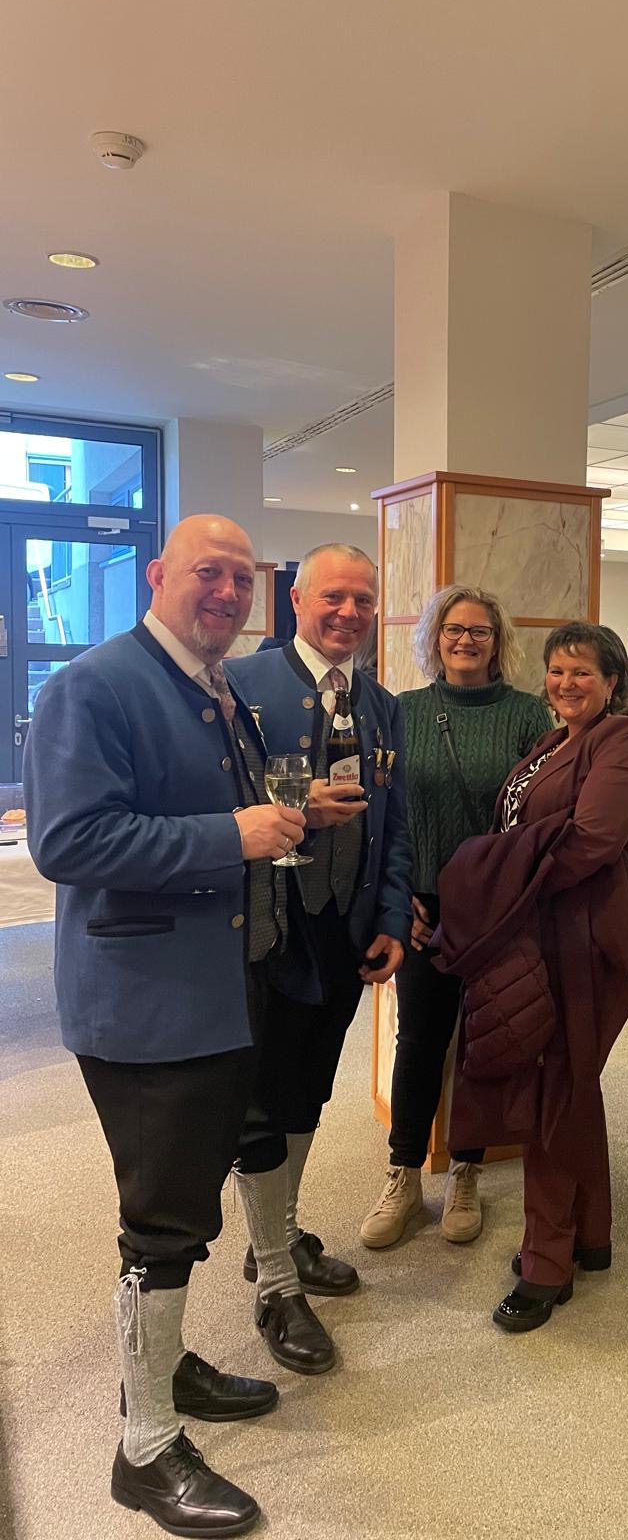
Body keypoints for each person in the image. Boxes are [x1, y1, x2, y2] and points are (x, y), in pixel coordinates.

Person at [24, 515, 309, 1537]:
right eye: (208, 573)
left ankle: (169, 1363)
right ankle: (143, 1448)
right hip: (145, 1005)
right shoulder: (95, 685)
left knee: (187, 1206)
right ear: (157, 575)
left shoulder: (213, 684)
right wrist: (233, 834)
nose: (227, 592)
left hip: (217, 989)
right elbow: (69, 841)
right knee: (163, 1224)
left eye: (241, 578)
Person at [435, 623, 628, 1331]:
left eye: (583, 672)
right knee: (571, 1086)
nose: (567, 683)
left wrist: (494, 882)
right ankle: (590, 1235)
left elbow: (590, 842)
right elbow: (527, 829)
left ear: (612, 682)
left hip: (590, 941)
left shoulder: (624, 742)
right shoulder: (552, 741)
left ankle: (546, 1263)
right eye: (558, 671)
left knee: (554, 1094)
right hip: (546, 934)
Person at [225, 544, 411, 1373]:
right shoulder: (241, 684)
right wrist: (295, 805)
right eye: (334, 596)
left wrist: (393, 916)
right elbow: (217, 802)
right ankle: (274, 1279)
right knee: (263, 1102)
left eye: (363, 600)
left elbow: (396, 823)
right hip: (269, 927)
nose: (349, 612)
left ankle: (283, 1232)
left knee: (308, 1090)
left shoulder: (381, 704)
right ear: (296, 600)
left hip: (346, 925)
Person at [359, 586, 548, 1251]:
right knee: (419, 1039)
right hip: (422, 904)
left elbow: (537, 820)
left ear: (498, 642)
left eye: (479, 631)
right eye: (453, 630)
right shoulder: (402, 711)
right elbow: (382, 811)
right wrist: (397, 894)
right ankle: (404, 1174)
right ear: (434, 639)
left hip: (496, 909)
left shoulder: (528, 715)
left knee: (480, 1040)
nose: (465, 641)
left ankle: (466, 1170)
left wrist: (510, 900)